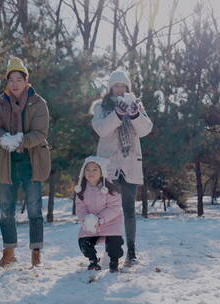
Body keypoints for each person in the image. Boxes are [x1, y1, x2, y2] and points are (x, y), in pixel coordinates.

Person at [0, 57, 51, 268]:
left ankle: (36, 253)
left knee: (34, 209)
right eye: (11, 79)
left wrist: (21, 140)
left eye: (19, 79)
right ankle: (9, 252)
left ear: (26, 81)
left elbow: (41, 133)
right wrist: (5, 139)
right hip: (7, 162)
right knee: (6, 209)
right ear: (7, 81)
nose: (15, 83)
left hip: (32, 161)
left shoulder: (38, 103)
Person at [91, 70, 153, 266]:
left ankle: (132, 252)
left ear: (128, 89)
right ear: (110, 88)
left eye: (123, 86)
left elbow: (145, 130)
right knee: (110, 209)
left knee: (128, 210)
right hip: (110, 165)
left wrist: (134, 114)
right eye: (116, 86)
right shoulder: (102, 107)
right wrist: (117, 114)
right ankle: (111, 251)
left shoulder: (136, 105)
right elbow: (101, 129)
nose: (120, 89)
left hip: (130, 164)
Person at [74, 156, 124, 273]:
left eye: (95, 169)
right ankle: (93, 261)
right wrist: (86, 220)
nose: (91, 172)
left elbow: (114, 208)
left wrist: (100, 219)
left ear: (102, 171)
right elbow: (80, 208)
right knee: (83, 241)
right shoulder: (81, 190)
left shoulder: (110, 189)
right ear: (83, 172)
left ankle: (114, 261)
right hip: (90, 223)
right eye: (88, 169)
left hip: (110, 222)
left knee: (114, 242)